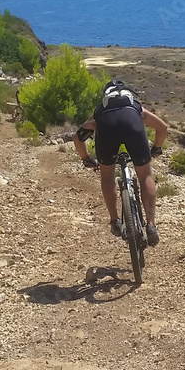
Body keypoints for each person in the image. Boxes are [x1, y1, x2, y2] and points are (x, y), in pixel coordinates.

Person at [73, 80, 168, 246]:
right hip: (132, 124)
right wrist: (156, 148)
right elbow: (162, 127)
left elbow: (77, 137)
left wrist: (86, 158)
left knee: (107, 176)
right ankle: (151, 225)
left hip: (107, 129)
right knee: (145, 175)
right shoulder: (134, 105)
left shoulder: (100, 110)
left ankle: (115, 221)